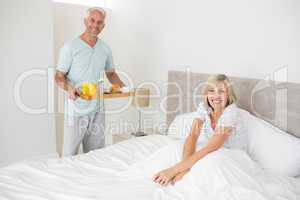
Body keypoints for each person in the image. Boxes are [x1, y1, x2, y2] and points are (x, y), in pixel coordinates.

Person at [153, 74, 248, 186]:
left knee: (212, 160)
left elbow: (211, 147)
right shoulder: (204, 108)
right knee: (177, 147)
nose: (216, 96)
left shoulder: (231, 112)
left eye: (221, 91)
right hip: (211, 151)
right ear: (206, 94)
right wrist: (184, 169)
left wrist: (173, 170)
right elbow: (192, 136)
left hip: (231, 155)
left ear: (228, 95)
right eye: (211, 91)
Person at [55, 7, 125, 156]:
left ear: (103, 26)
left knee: (96, 155)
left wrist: (124, 88)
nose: (95, 25)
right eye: (92, 20)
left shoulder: (105, 49)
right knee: (69, 154)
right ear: (85, 21)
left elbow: (111, 74)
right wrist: (69, 88)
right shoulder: (70, 47)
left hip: (98, 108)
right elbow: (59, 76)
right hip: (76, 109)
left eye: (99, 22)